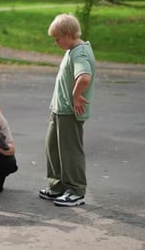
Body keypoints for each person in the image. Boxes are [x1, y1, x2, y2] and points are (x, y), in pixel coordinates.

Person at [38, 13, 96, 207]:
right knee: (52, 146)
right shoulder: (72, 50)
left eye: (57, 38)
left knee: (70, 151)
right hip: (59, 110)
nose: (56, 42)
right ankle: (58, 186)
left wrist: (76, 94)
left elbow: (85, 76)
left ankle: (75, 190)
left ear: (69, 34)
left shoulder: (80, 52)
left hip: (70, 112)